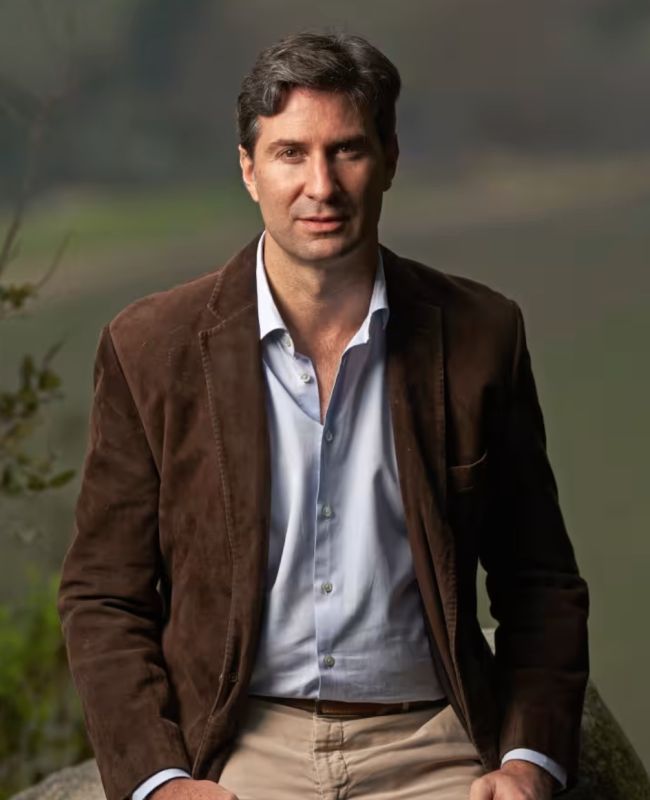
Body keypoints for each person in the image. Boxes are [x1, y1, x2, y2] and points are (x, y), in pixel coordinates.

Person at [57, 31, 589, 800]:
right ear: (248, 169)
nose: (322, 185)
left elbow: (540, 582)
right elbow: (105, 595)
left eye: (347, 151)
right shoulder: (149, 349)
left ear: (390, 159)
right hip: (240, 746)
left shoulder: (481, 336)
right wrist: (160, 781)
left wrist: (529, 762)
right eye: (290, 153)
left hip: (435, 744)